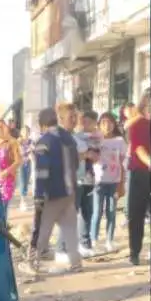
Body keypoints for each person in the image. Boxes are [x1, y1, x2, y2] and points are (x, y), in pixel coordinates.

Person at [28, 107, 81, 275]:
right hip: (70, 191)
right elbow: (76, 163)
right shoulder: (68, 138)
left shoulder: (44, 141)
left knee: (43, 228)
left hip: (53, 192)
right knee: (70, 229)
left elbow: (42, 171)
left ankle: (33, 261)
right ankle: (76, 263)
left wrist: (38, 195)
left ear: (42, 124)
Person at [125, 90, 151, 266]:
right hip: (141, 174)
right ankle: (134, 252)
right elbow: (139, 149)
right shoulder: (138, 124)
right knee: (136, 215)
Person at [91, 111, 125, 252]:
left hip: (114, 182)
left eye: (110, 122)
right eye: (104, 122)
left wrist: (121, 184)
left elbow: (123, 163)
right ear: (99, 124)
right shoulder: (95, 140)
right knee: (97, 212)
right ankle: (94, 240)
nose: (107, 125)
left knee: (111, 212)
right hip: (98, 182)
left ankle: (109, 240)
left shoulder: (120, 141)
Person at [74, 110, 102, 255]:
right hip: (76, 180)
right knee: (73, 212)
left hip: (89, 179)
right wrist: (86, 154)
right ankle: (69, 246)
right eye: (83, 121)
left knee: (87, 212)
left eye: (89, 122)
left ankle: (85, 244)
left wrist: (89, 153)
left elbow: (96, 156)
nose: (85, 125)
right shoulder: (76, 137)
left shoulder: (96, 137)